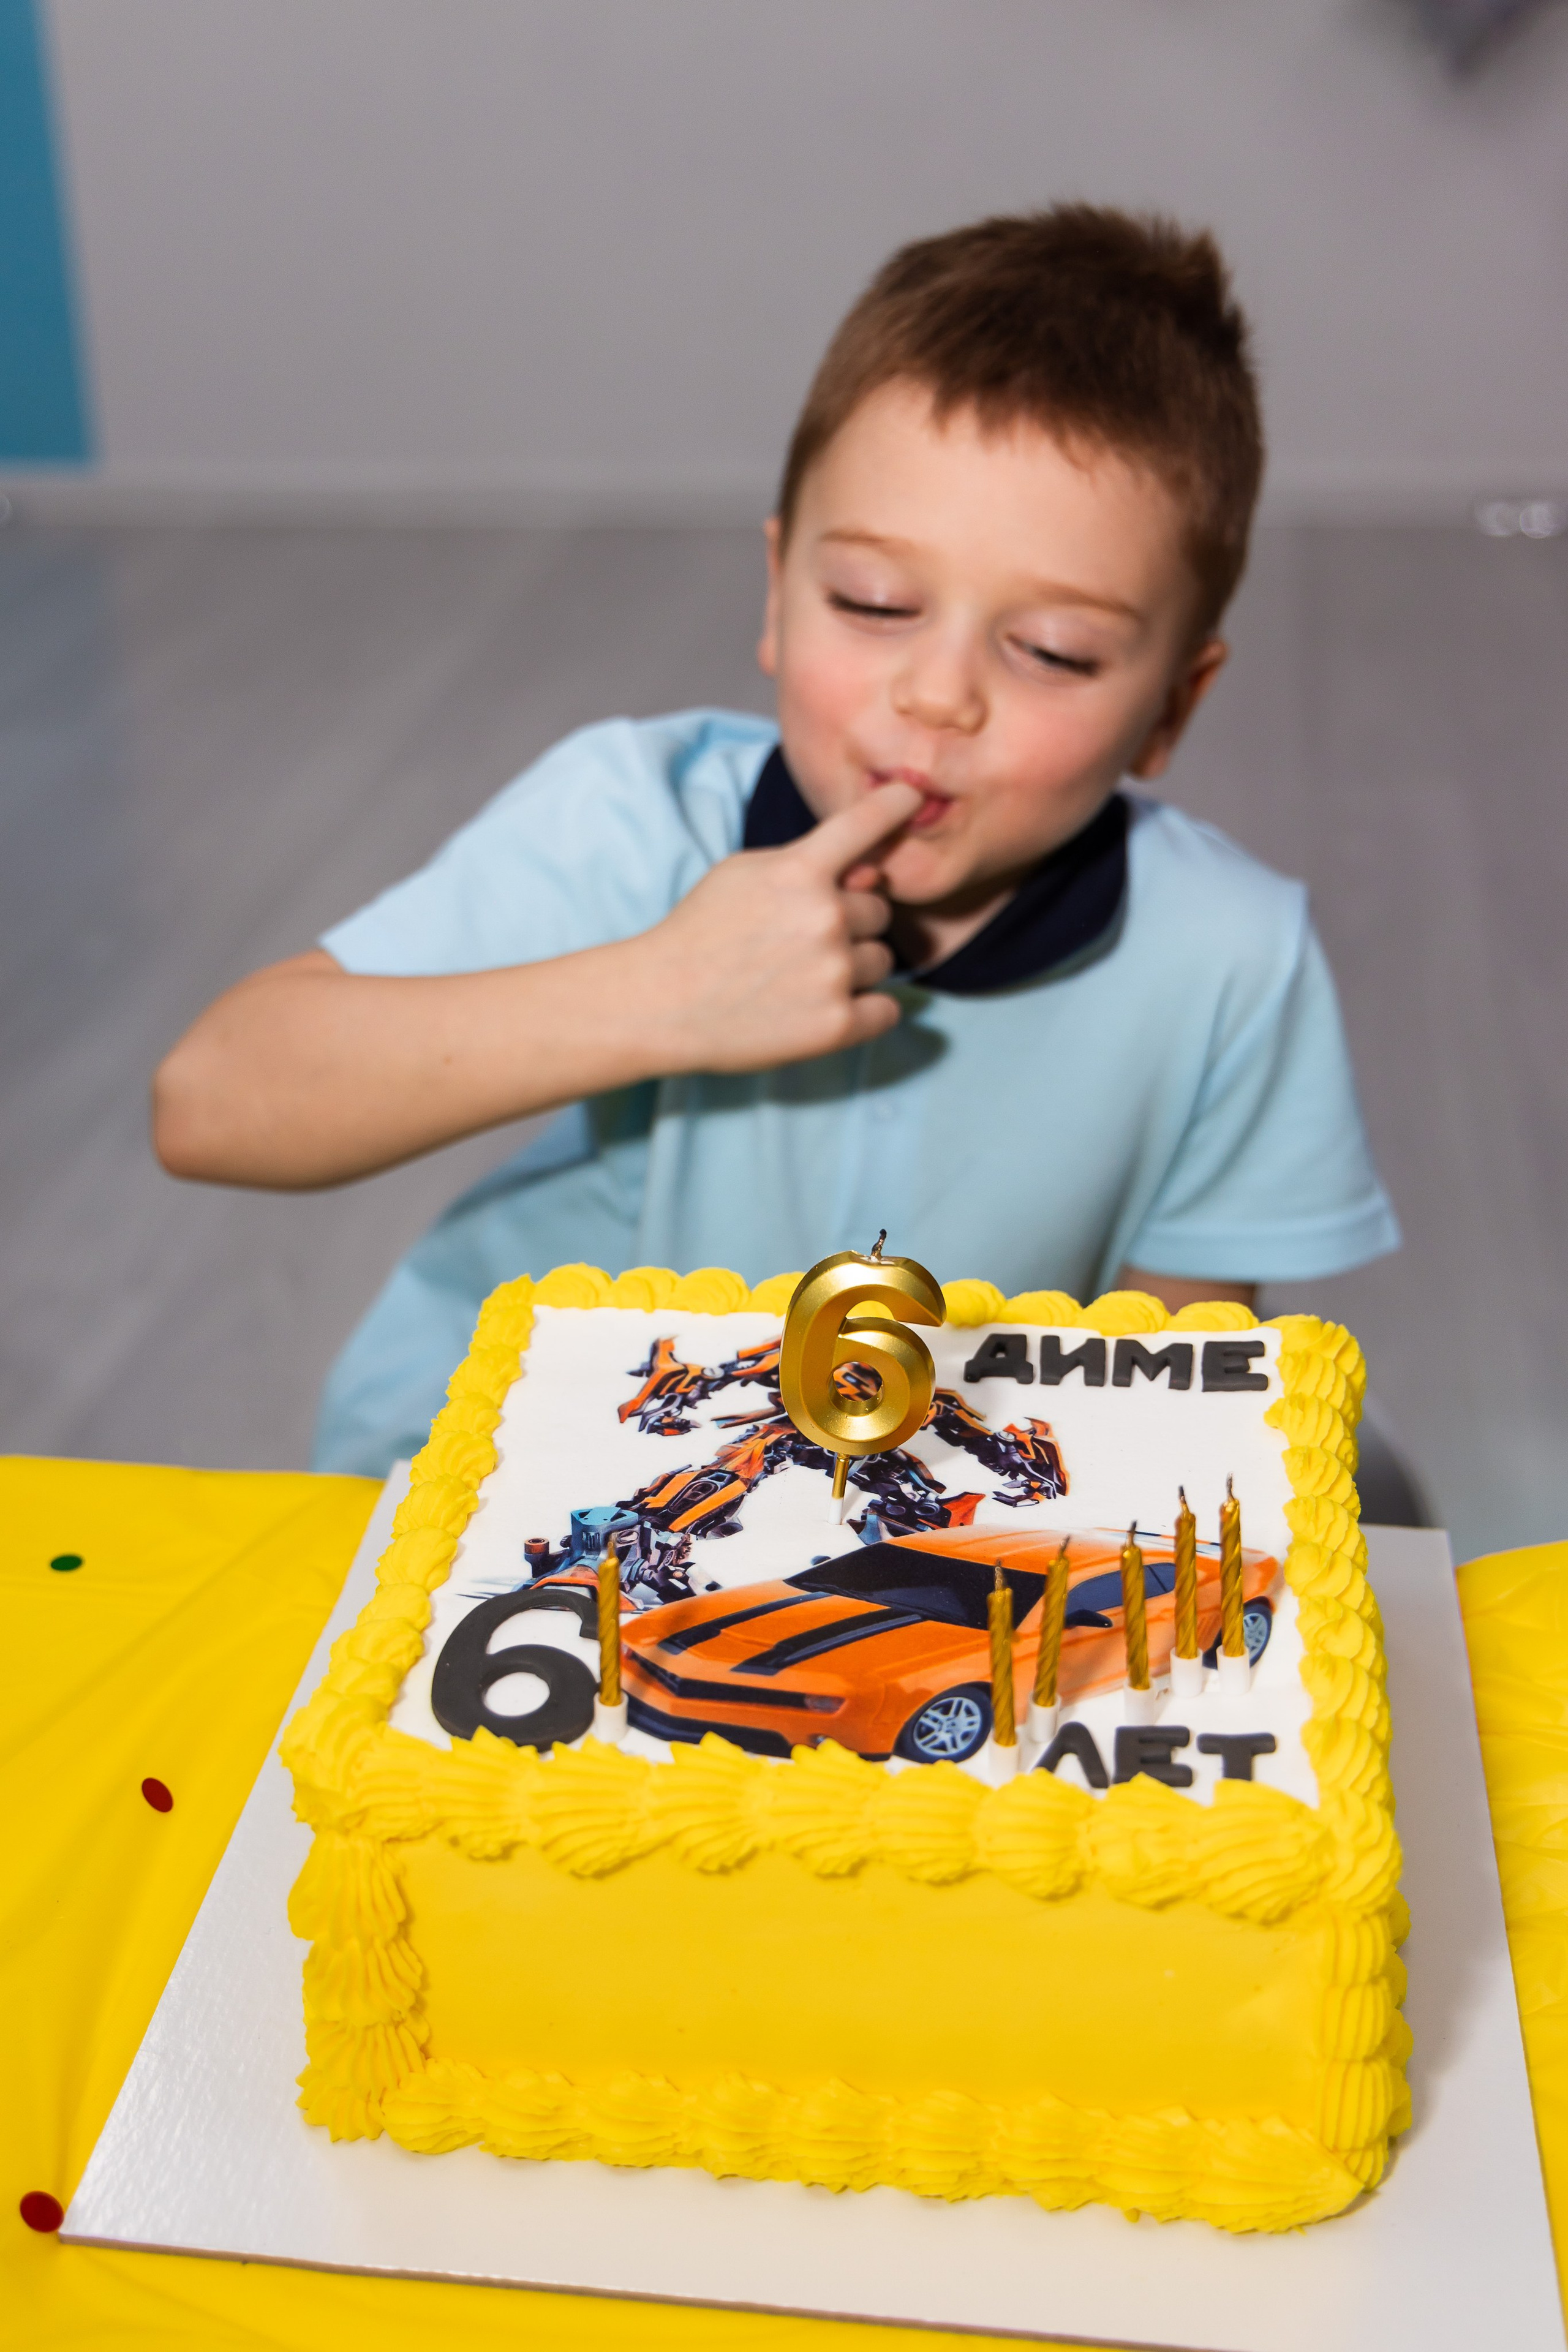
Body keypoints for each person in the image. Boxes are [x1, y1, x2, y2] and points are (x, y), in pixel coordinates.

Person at [153, 206, 1398, 1477]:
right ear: (776, 590)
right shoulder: (636, 816)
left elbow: (1167, 1396)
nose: (933, 695)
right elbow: (210, 1104)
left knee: (1365, 1478)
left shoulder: (1233, 962)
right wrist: (658, 995)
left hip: (919, 1529)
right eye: (871, 602)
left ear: (1169, 708)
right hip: (513, 1475)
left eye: (1050, 653)